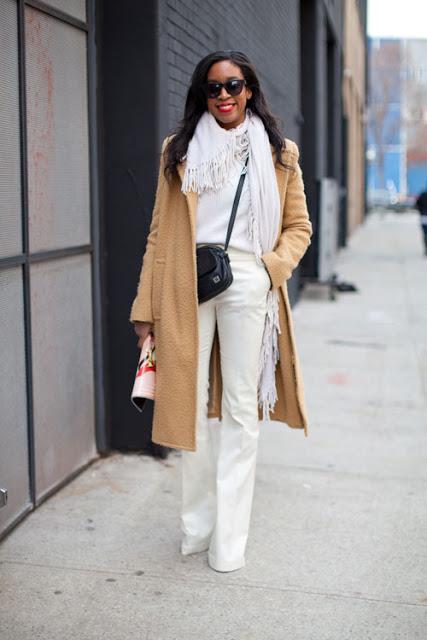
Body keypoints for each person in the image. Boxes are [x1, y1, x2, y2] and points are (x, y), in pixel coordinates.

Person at [129, 50, 312, 573]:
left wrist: (270, 270)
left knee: (238, 409)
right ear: (202, 95)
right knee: (187, 405)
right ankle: (197, 528)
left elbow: (299, 227)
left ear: (249, 89)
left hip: (248, 278)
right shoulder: (179, 150)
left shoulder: (279, 153)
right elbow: (160, 235)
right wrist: (146, 308)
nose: (225, 96)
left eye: (234, 85)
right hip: (186, 282)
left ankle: (229, 543)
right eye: (214, 88)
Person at [415, 186, 427, 255]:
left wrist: (421, 212)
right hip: (423, 216)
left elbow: (416, 205)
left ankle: (426, 249)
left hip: (423, 217)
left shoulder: (422, 194)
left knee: (425, 234)